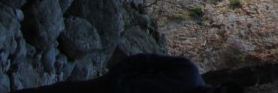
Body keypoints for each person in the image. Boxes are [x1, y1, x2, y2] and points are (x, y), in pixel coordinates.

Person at [18, 54, 242, 92]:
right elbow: (144, 60)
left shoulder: (189, 73)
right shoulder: (188, 72)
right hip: (107, 88)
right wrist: (117, 77)